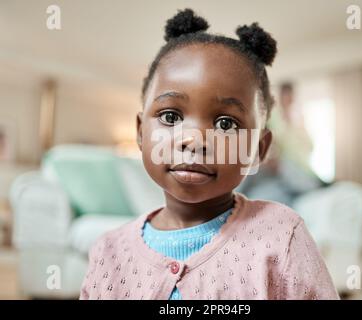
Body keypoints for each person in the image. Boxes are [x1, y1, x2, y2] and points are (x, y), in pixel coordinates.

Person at [79, 8, 338, 300]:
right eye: (170, 116)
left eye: (225, 123)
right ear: (140, 132)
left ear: (258, 150)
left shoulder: (283, 236)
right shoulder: (108, 252)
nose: (194, 140)